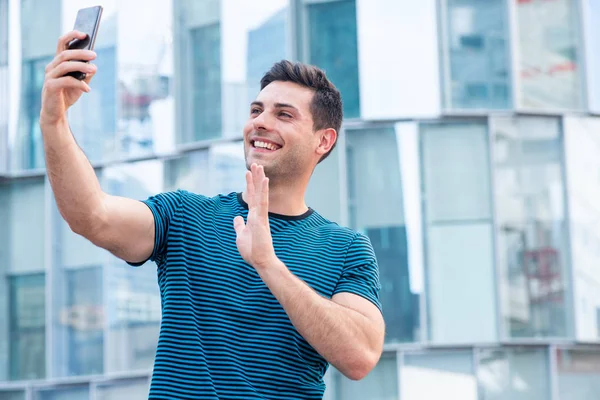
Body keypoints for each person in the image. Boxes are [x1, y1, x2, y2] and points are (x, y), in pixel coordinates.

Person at [41, 30, 385, 400]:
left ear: (324, 140)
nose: (260, 122)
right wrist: (54, 120)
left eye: (283, 114)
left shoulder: (346, 248)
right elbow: (91, 215)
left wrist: (268, 264)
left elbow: (359, 357)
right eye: (256, 110)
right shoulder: (185, 216)